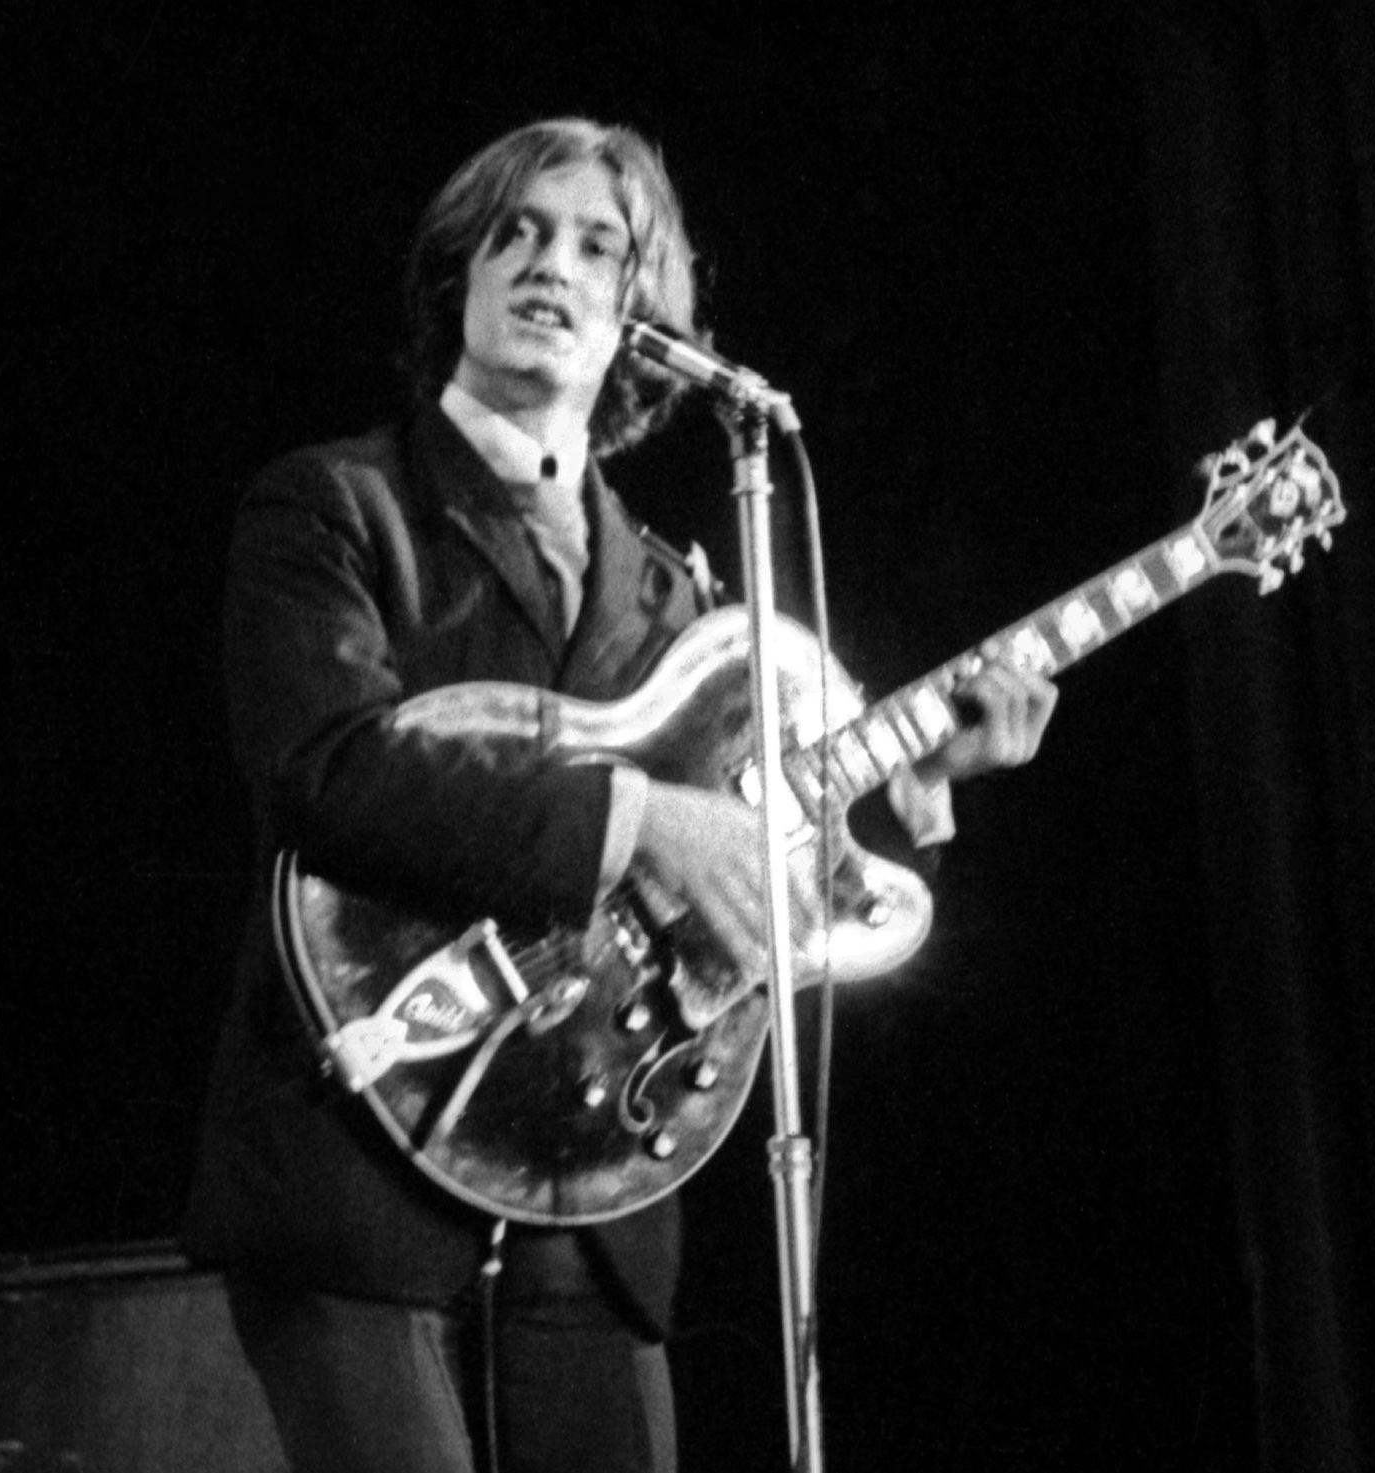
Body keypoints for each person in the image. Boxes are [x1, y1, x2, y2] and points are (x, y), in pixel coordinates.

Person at [182, 117, 1059, 1473]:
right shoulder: (335, 506)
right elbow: (326, 769)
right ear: (457, 278)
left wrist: (919, 792)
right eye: (517, 232)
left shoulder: (686, 600)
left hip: (592, 1189)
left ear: (643, 321)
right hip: (357, 1150)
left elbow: (753, 913)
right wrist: (636, 820)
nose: (552, 266)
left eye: (600, 247)